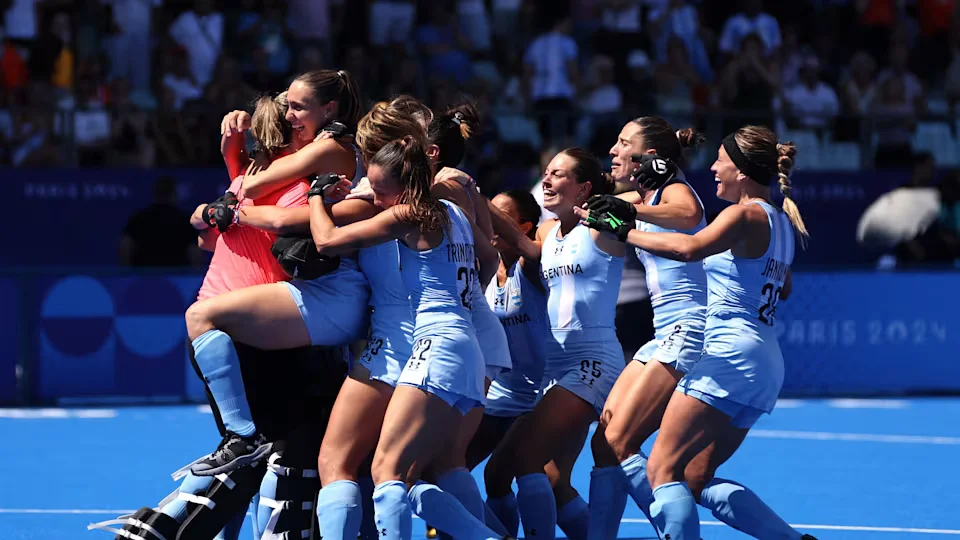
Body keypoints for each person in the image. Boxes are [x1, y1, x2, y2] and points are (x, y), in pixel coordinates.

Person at [576, 125, 815, 540]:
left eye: (721, 161)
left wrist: (623, 228)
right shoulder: (779, 222)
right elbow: (785, 286)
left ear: (741, 170)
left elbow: (688, 247)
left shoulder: (741, 213)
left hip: (728, 352)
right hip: (765, 361)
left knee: (662, 469)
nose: (714, 169)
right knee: (695, 475)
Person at [307, 136, 506, 540]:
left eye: (381, 191)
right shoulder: (452, 211)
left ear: (405, 187)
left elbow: (326, 240)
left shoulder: (407, 214)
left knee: (387, 471)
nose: (376, 200)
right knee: (414, 472)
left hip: (437, 344)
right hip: (464, 344)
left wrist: (315, 196)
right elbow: (490, 261)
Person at [183, 70, 373, 477]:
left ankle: (241, 439)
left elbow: (272, 209)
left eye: (297, 108)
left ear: (330, 110)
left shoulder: (333, 150)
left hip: (329, 299)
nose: (289, 117)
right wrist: (234, 166)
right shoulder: (298, 161)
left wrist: (235, 188)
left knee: (331, 457)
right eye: (285, 109)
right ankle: (242, 442)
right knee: (294, 454)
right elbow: (214, 223)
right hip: (313, 296)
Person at [485, 148, 624, 540]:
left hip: (592, 359)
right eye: (545, 172)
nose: (546, 180)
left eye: (558, 174)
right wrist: (471, 195)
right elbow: (521, 242)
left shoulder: (600, 226)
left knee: (526, 459)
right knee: (551, 478)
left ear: (583, 188)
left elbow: (634, 205)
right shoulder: (547, 233)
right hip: (557, 367)